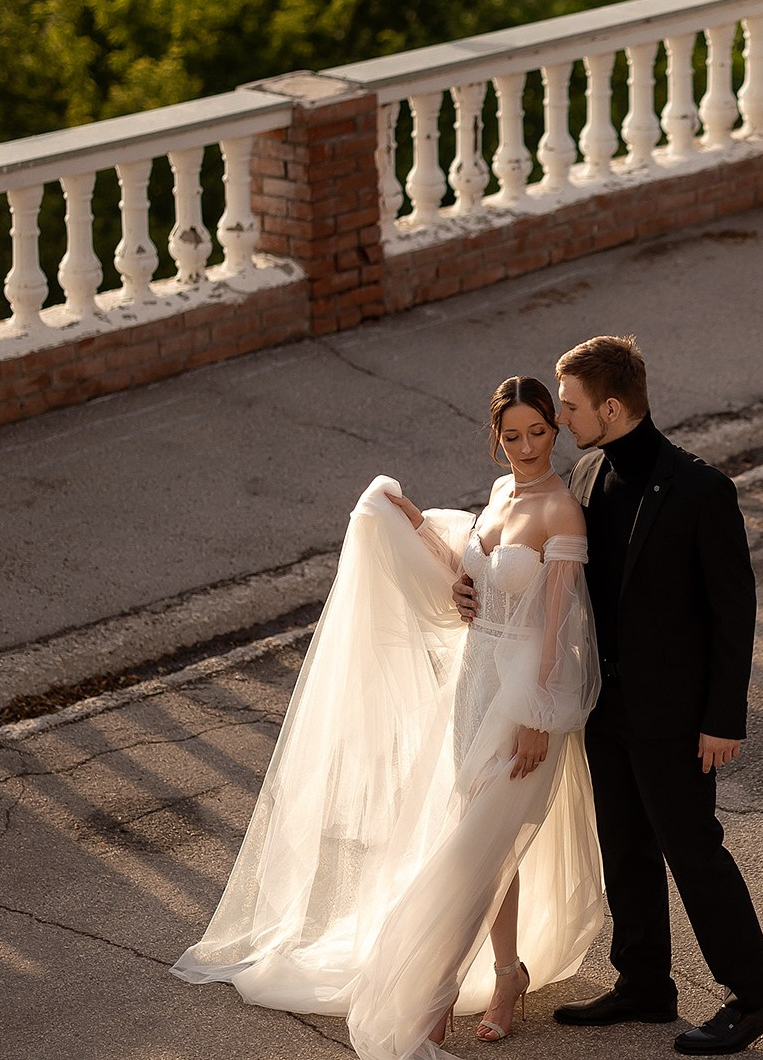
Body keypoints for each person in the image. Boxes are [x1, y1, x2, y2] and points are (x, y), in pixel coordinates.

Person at [172, 377, 603, 1060]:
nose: (524, 448)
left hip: (524, 691)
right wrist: (434, 551)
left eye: (537, 432)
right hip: (476, 677)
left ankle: (433, 995)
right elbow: (471, 569)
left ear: (555, 428)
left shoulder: (561, 512)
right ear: (496, 437)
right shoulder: (498, 495)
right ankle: (507, 972)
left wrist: (540, 715)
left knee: (477, 847)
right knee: (483, 840)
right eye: (511, 435)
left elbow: (558, 626)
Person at [455, 336, 763, 1055]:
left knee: (692, 850)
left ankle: (757, 995)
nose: (562, 416)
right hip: (603, 705)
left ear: (610, 405)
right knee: (625, 846)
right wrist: (470, 584)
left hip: (674, 715)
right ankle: (644, 982)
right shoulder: (586, 476)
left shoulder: (700, 490)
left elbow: (734, 613)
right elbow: (553, 578)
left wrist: (721, 718)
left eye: (570, 405)